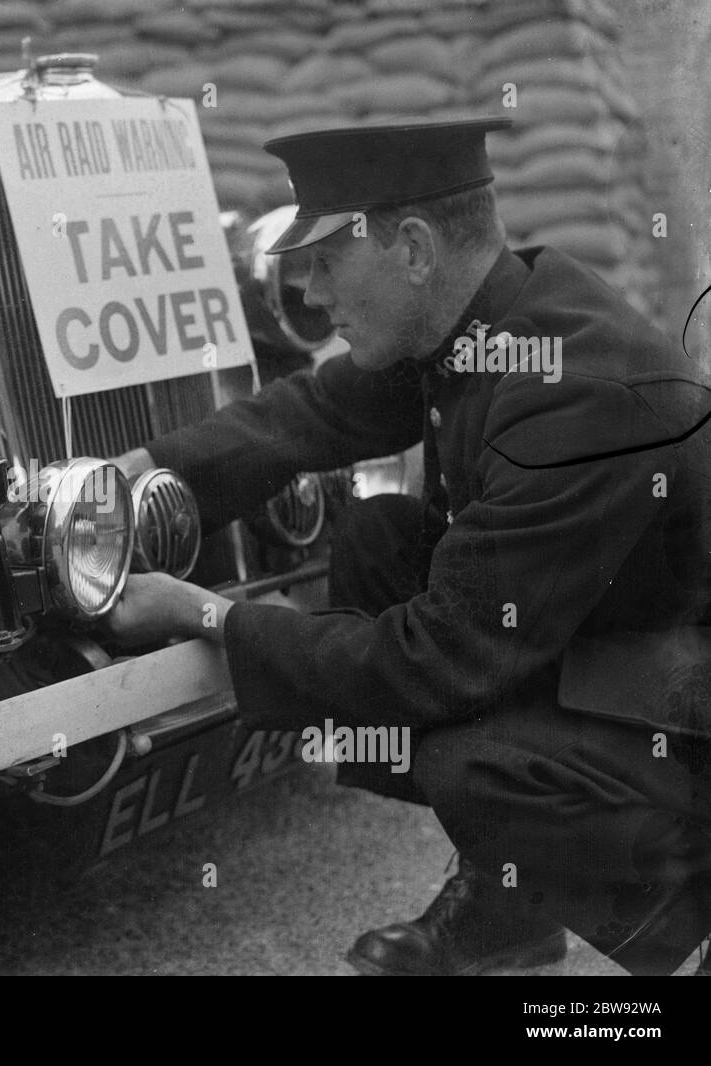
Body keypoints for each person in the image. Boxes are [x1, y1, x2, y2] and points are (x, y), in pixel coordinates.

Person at [108, 117, 711, 976]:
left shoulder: (572, 395)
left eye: (326, 262)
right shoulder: (482, 320)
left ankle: (685, 928)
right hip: (627, 656)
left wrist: (208, 614)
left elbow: (432, 662)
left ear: (416, 250)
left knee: (468, 756)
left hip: (687, 718)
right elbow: (310, 414)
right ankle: (511, 910)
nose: (311, 293)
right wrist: (131, 474)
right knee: (381, 541)